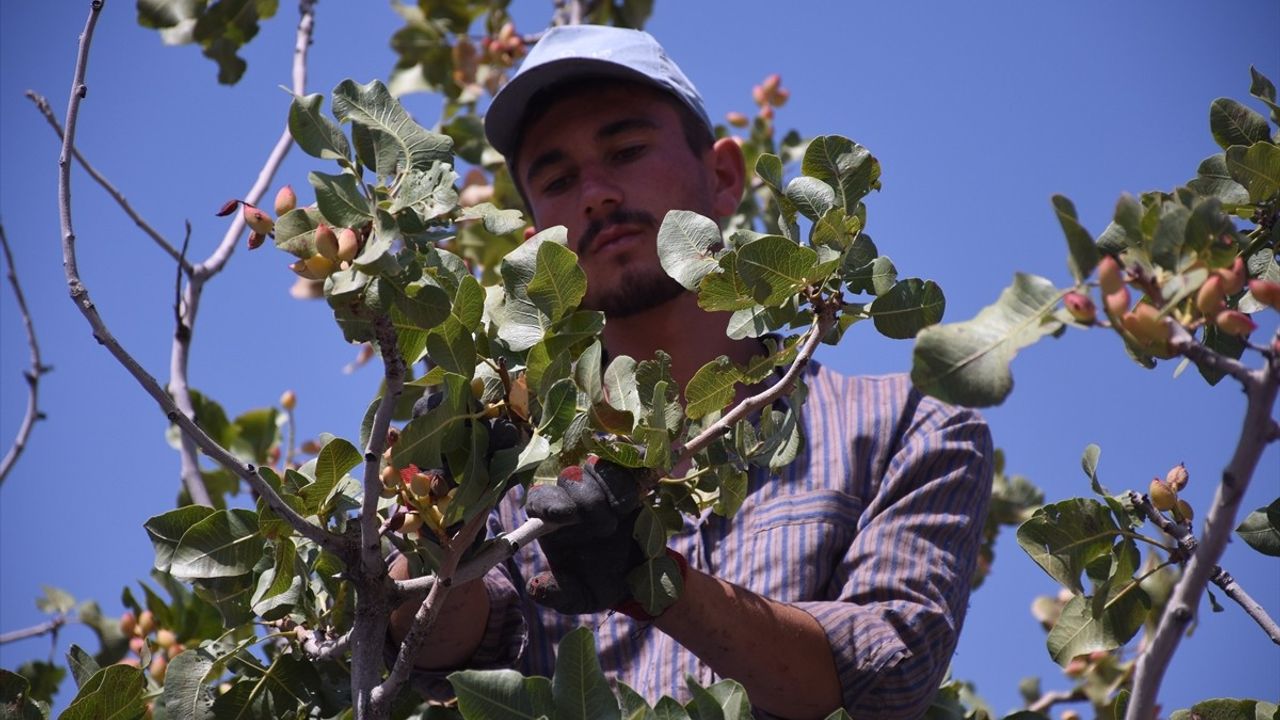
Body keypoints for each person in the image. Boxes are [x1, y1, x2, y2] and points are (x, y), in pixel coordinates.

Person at [389, 25, 993, 720]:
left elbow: (887, 675)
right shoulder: (514, 448)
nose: (594, 195)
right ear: (538, 250)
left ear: (725, 177)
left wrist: (650, 583)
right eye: (557, 181)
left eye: (626, 150)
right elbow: (436, 650)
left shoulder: (907, 427)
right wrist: (447, 510)